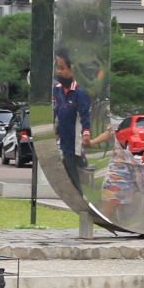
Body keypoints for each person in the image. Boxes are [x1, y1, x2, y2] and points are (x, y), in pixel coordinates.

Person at [52, 52, 93, 194]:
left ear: (71, 69)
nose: (59, 71)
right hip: (64, 144)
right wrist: (56, 133)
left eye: (62, 68)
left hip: (75, 145)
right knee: (69, 177)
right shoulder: (57, 91)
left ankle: (84, 200)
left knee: (75, 178)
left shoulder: (79, 93)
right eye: (58, 68)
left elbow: (84, 115)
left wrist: (86, 134)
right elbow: (57, 115)